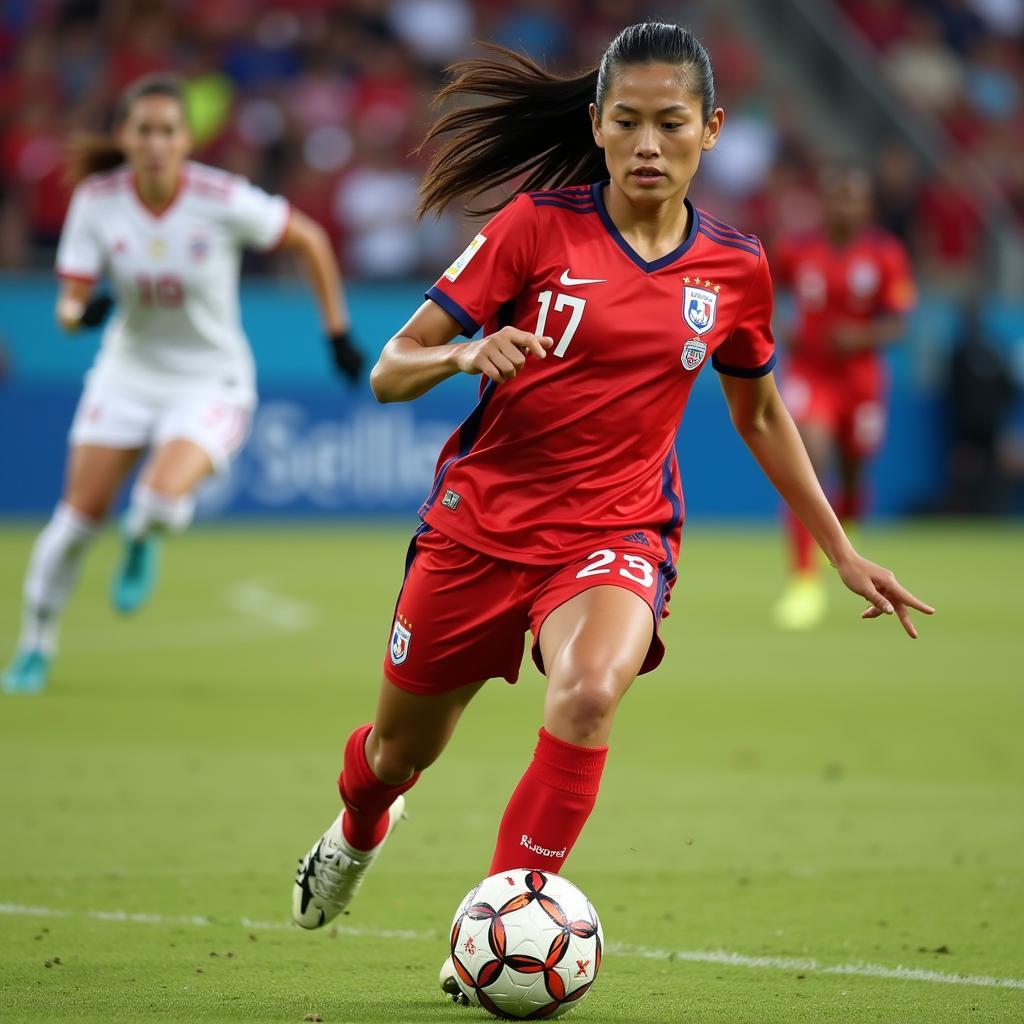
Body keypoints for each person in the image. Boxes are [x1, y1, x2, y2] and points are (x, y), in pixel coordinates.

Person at [287, 23, 933, 1000]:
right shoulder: (532, 228)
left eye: (669, 123)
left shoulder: (733, 268)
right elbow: (387, 370)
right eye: (625, 120)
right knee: (395, 752)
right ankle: (359, 825)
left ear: (709, 130)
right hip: (476, 531)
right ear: (595, 123)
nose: (645, 143)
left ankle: (507, 917)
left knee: (589, 694)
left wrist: (840, 550)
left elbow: (756, 410)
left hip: (615, 532)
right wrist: (462, 353)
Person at [2, 74, 362, 695]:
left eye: (168, 131)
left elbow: (310, 238)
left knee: (158, 503)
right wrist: (80, 315)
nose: (156, 143)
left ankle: (144, 538)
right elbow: (68, 305)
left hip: (210, 379)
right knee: (72, 525)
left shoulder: (220, 198)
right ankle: (34, 647)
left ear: (186, 139)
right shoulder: (98, 199)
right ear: (124, 135)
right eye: (143, 130)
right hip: (126, 374)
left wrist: (336, 334)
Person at [771, 164, 917, 630]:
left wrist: (857, 337)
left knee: (852, 476)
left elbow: (897, 324)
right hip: (811, 374)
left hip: (861, 381)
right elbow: (761, 290)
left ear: (867, 205)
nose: (843, 205)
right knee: (809, 464)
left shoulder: (886, 254)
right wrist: (778, 331)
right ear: (824, 201)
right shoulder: (796, 250)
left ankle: (844, 537)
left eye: (853, 197)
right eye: (836, 196)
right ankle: (804, 582)